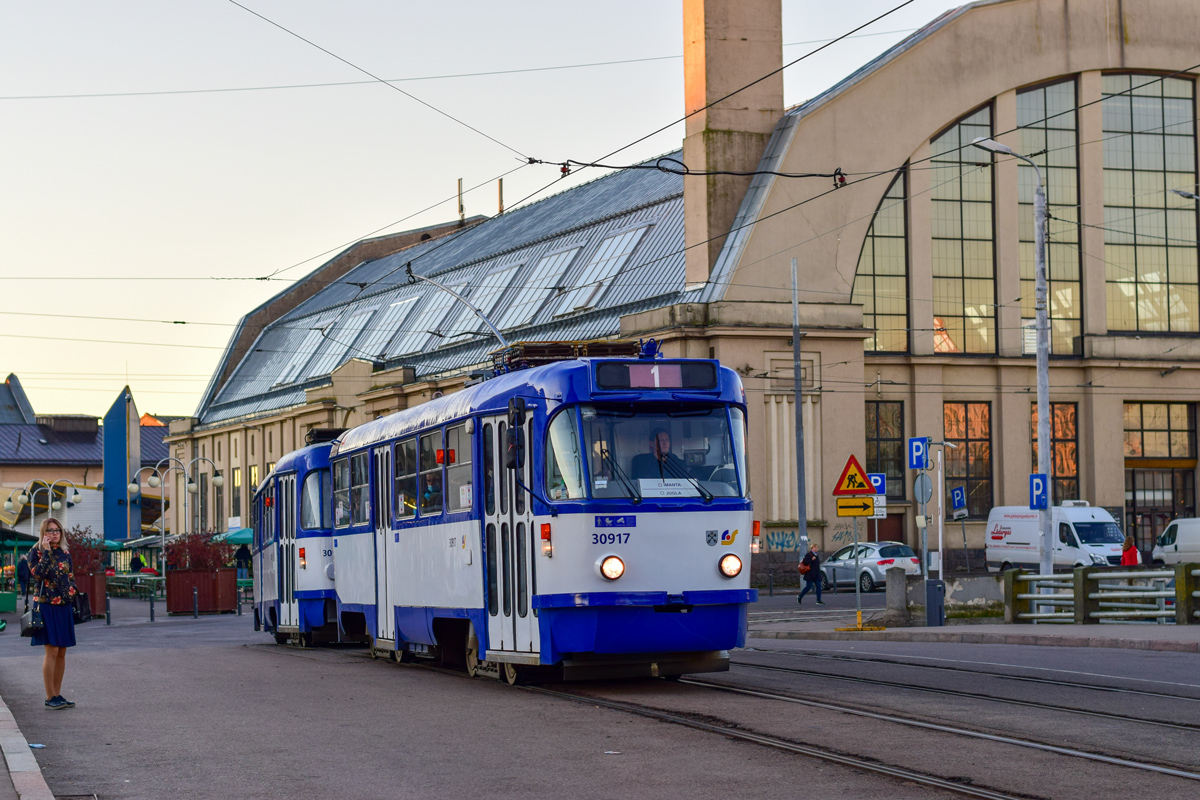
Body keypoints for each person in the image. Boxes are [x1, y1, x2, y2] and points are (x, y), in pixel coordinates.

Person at [28, 518, 77, 710]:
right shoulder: (36, 552)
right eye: (50, 530)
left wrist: (72, 592)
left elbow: (70, 577)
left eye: (58, 530)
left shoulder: (65, 553)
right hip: (46, 606)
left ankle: (58, 694)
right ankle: (50, 696)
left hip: (63, 605)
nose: (55, 533)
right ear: (44, 532)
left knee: (62, 651)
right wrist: (47, 552)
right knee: (52, 650)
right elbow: (38, 574)